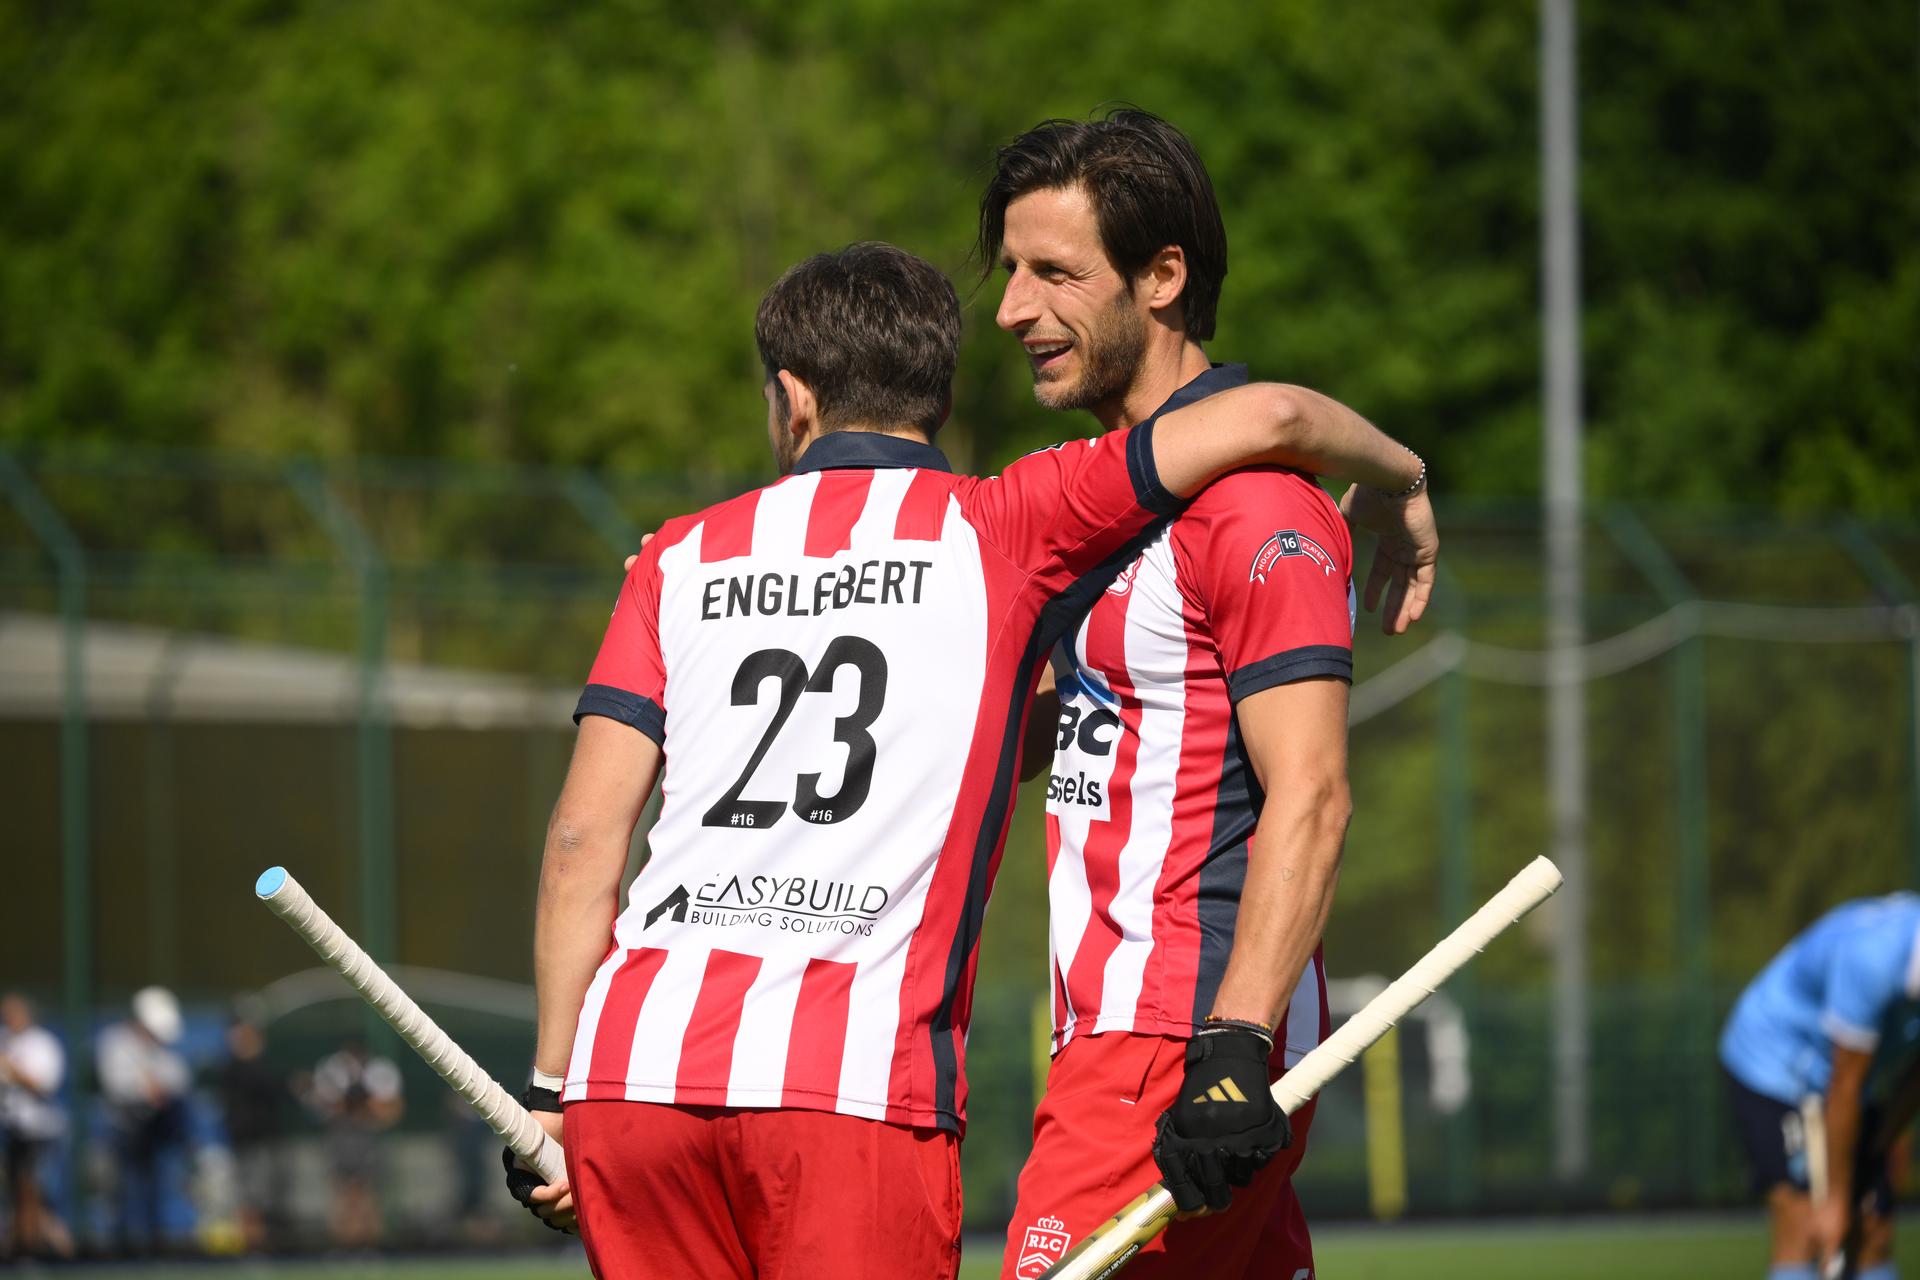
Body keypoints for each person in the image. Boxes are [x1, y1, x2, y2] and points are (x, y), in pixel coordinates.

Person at [507, 240, 1429, 1278]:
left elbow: (583, 841)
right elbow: (1272, 417)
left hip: (631, 1074)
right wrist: (1400, 477)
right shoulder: (1001, 524)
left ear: (793, 398)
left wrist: (552, 1085)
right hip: (849, 1085)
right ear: (936, 393)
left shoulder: (678, 553)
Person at [978, 108, 1434, 1280]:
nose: (1012, 309)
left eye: (1053, 274)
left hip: (1174, 1042)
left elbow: (1315, 794)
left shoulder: (1260, 513)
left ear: (1164, 277)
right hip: (1108, 1034)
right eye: (1012, 272)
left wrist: (1231, 1043)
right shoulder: (1092, 508)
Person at [1721, 893, 1920, 1280]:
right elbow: (1844, 1084)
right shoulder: (1873, 959)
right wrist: (1833, 1202)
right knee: (1805, 1221)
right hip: (1774, 1063)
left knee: (1873, 1223)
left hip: (1850, 1081)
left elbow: (1915, 1080)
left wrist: (1879, 1145)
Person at [97, 985, 192, 1255]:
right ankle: (124, 1248)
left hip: (155, 1133)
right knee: (123, 1192)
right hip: (124, 1132)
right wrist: (144, 1088)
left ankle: (154, 1246)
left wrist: (155, 1087)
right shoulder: (116, 1042)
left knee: (157, 1191)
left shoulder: (162, 1051)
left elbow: (178, 1079)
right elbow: (116, 1083)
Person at [307, 1038, 403, 1249]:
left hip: (367, 1134)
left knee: (367, 1191)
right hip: (341, 1134)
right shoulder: (331, 1070)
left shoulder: (379, 1070)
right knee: (342, 1192)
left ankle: (369, 1246)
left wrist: (365, 1106)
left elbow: (390, 1109)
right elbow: (326, 1105)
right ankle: (343, 1245)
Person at [1, 993, 72, 1260]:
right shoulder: (5, 1039)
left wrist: (12, 1068)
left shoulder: (43, 1044)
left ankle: (47, 1249)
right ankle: (21, 1247)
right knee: (17, 1191)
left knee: (36, 1191)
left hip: (41, 1131)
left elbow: (42, 1086)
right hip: (13, 1128)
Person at [216, 1019, 285, 1252]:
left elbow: (270, 1090)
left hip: (262, 1139)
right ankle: (249, 1245)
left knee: (264, 1194)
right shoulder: (230, 1068)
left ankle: (263, 1244)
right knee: (246, 1195)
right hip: (241, 1139)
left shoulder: (262, 1065)